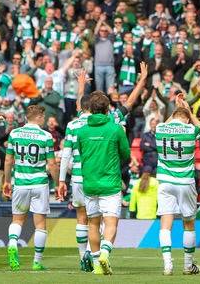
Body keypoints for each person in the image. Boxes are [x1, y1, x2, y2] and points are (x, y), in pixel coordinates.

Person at [76, 91, 131, 275]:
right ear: (107, 109)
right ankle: (105, 254)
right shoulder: (115, 129)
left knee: (93, 223)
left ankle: (97, 264)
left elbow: (81, 152)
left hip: (90, 183)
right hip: (110, 182)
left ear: (90, 109)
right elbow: (126, 154)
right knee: (110, 222)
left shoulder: (82, 131)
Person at [155, 93, 200, 275]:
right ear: (186, 119)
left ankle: (167, 264)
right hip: (185, 181)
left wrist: (178, 108)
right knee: (188, 223)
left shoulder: (160, 127)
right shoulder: (190, 130)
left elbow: (170, 122)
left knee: (165, 223)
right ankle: (187, 265)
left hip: (165, 182)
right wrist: (190, 113)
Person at [3, 105, 59, 272]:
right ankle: (37, 261)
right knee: (40, 224)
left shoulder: (15, 134)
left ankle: (13, 243)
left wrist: (7, 181)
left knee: (17, 219)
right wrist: (57, 184)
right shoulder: (46, 136)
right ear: (40, 117)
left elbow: (8, 161)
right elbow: (52, 164)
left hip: (20, 183)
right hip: (39, 184)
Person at [57, 72, 94, 272]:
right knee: (98, 217)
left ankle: (82, 258)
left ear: (81, 107)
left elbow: (65, 155)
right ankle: (91, 252)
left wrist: (62, 180)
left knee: (81, 217)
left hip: (77, 177)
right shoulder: (101, 123)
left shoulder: (72, 125)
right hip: (96, 177)